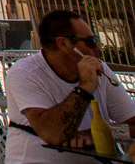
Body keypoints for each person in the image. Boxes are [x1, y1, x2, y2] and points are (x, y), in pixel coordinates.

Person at [7, 9, 135, 160]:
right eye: (91, 42)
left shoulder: (100, 69)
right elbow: (53, 134)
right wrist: (85, 87)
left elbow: (131, 120)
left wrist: (103, 133)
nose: (97, 49)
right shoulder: (25, 72)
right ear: (64, 43)